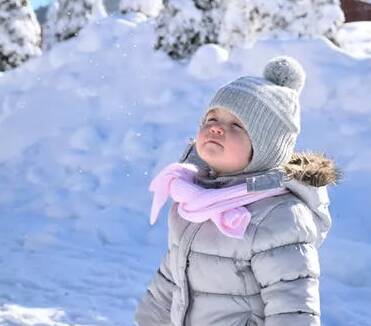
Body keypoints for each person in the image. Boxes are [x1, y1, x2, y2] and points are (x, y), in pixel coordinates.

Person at [135, 56, 340, 326]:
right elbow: (169, 283)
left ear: (265, 149)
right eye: (212, 117)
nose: (216, 127)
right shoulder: (194, 200)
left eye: (237, 125)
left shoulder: (280, 216)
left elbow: (293, 310)